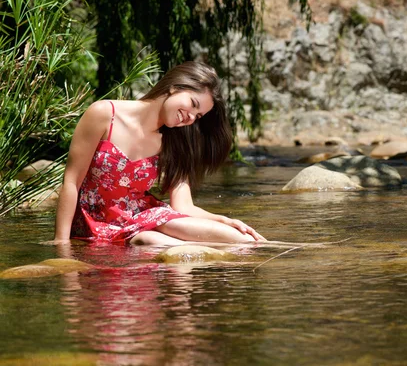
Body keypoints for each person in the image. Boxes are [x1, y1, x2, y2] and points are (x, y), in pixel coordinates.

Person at [54, 61, 265, 245]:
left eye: (198, 115)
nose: (190, 117)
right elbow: (72, 182)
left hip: (143, 215)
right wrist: (61, 242)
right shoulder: (104, 114)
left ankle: (281, 252)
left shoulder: (175, 140)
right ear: (175, 87)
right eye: (192, 104)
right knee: (153, 241)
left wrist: (225, 221)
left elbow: (183, 206)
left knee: (240, 239)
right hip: (96, 220)